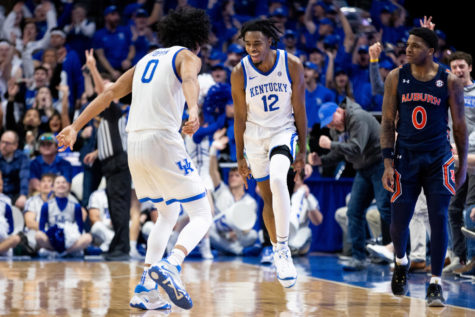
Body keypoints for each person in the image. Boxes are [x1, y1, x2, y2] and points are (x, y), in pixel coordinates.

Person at [57, 7, 212, 311]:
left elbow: (110, 93)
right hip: (162, 140)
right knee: (202, 213)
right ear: (197, 39)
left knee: (167, 214)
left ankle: (146, 290)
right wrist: (193, 109)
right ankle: (173, 263)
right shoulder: (188, 57)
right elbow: (191, 79)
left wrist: (75, 126)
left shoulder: (145, 61)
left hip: (135, 145)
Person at [380, 27, 467, 306]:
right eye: (407, 44)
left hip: (438, 158)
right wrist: (387, 163)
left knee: (439, 217)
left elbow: (461, 128)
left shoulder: (449, 81)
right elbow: (386, 121)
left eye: (415, 45)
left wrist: (462, 165)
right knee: (398, 222)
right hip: (405, 157)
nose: (408, 49)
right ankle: (401, 261)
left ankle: (435, 282)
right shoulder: (396, 77)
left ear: (430, 51)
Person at [231, 18, 307, 288]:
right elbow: (239, 117)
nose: (252, 48)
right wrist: (240, 156)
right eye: (247, 44)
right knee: (267, 197)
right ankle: (276, 248)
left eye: (257, 43)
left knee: (278, 179)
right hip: (254, 138)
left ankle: (283, 249)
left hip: (283, 131)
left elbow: (300, 110)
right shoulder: (240, 71)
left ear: (270, 42)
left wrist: (304, 151)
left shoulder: (292, 64)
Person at [308, 98, 391, 271]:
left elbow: (356, 148)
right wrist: (319, 161)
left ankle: (398, 253)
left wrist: (331, 144)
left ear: (339, 112)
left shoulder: (358, 117)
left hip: (380, 164)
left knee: (385, 208)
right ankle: (359, 258)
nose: (331, 127)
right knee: (353, 211)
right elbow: (340, 154)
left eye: (332, 122)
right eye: (328, 125)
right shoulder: (336, 130)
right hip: (363, 168)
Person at [444, 50, 475, 273]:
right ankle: (459, 257)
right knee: (452, 208)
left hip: (473, 159)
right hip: (455, 159)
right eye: (454, 67)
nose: (458, 70)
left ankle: (472, 259)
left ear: (470, 68)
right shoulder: (449, 93)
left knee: (470, 209)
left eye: (462, 66)